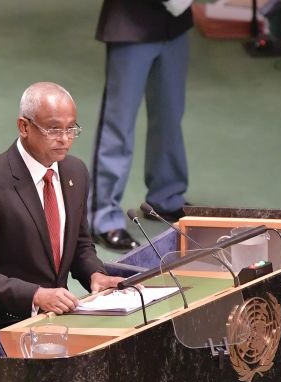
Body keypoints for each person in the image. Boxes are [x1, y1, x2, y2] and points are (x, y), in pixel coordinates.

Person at [0, 82, 123, 328]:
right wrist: (35, 295)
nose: (65, 139)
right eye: (54, 129)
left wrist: (94, 274)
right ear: (24, 126)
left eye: (71, 129)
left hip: (57, 324)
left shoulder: (75, 172)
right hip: (3, 329)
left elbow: (79, 244)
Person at [89, 0, 194, 251]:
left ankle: (166, 196)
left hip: (174, 23)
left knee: (169, 116)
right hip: (131, 22)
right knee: (118, 122)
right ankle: (103, 218)